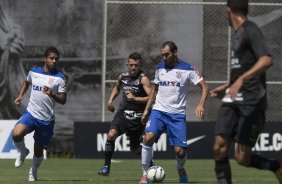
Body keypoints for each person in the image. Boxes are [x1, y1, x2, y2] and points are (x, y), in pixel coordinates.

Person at [210, 0, 282, 183]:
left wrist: (241, 80)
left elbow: (266, 60)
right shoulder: (237, 35)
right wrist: (228, 86)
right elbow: (242, 69)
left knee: (242, 158)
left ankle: (276, 166)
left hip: (251, 101)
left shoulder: (250, 29)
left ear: (228, 11)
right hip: (232, 99)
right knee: (219, 146)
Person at [139, 41, 209, 184]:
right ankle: (145, 174)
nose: (164, 57)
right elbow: (154, 89)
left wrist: (200, 104)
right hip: (159, 111)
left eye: (167, 54)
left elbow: (205, 87)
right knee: (148, 138)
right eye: (162, 55)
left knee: (180, 151)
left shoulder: (188, 69)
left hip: (177, 115)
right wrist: (147, 110)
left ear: (175, 52)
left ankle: (181, 168)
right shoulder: (160, 67)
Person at [12, 46, 67, 181]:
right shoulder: (34, 72)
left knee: (38, 150)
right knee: (16, 134)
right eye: (51, 58)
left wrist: (52, 94)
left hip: (46, 120)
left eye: (56, 59)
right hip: (31, 114)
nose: (54, 61)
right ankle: (23, 151)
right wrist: (20, 96)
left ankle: (33, 170)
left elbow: (63, 100)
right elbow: (26, 82)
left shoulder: (60, 78)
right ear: (45, 59)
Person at [97, 52, 152, 176]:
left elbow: (152, 98)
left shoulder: (143, 79)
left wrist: (135, 99)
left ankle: (149, 160)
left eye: (136, 65)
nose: (133, 68)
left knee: (135, 149)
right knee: (111, 135)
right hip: (122, 114)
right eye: (131, 65)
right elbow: (116, 88)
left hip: (137, 117)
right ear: (128, 64)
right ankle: (106, 167)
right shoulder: (123, 77)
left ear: (140, 65)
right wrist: (110, 101)